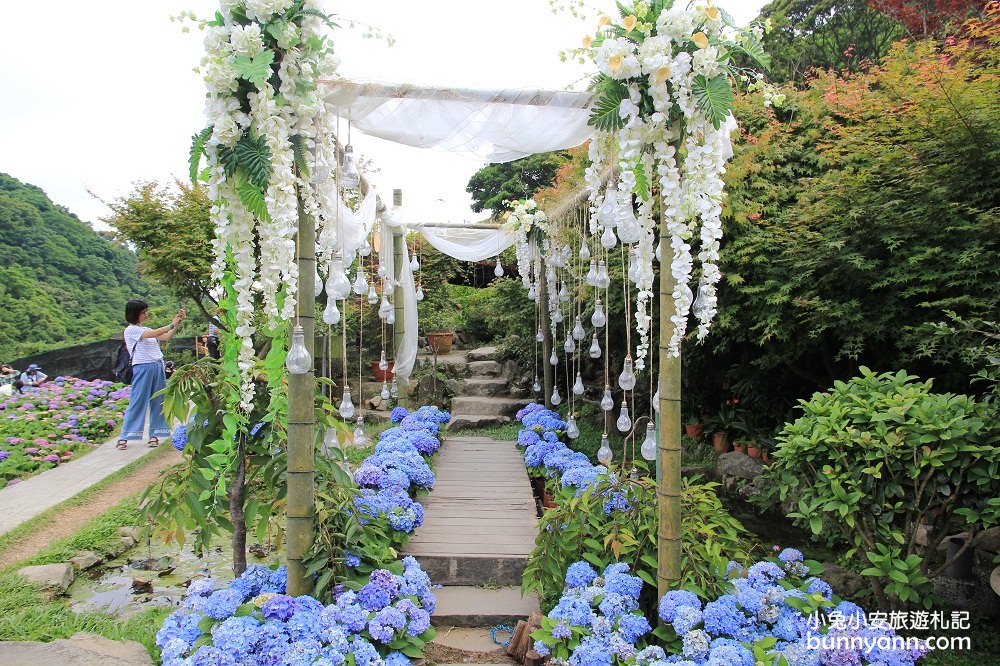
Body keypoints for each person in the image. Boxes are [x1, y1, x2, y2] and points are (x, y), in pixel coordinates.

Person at [116, 299, 185, 450]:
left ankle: (155, 435)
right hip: (142, 367)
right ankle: (125, 436)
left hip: (156, 365)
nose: (146, 315)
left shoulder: (145, 329)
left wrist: (177, 322)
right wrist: (171, 323)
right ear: (134, 314)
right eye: (143, 312)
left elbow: (165, 336)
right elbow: (154, 333)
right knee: (138, 400)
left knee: (159, 400)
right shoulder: (131, 330)